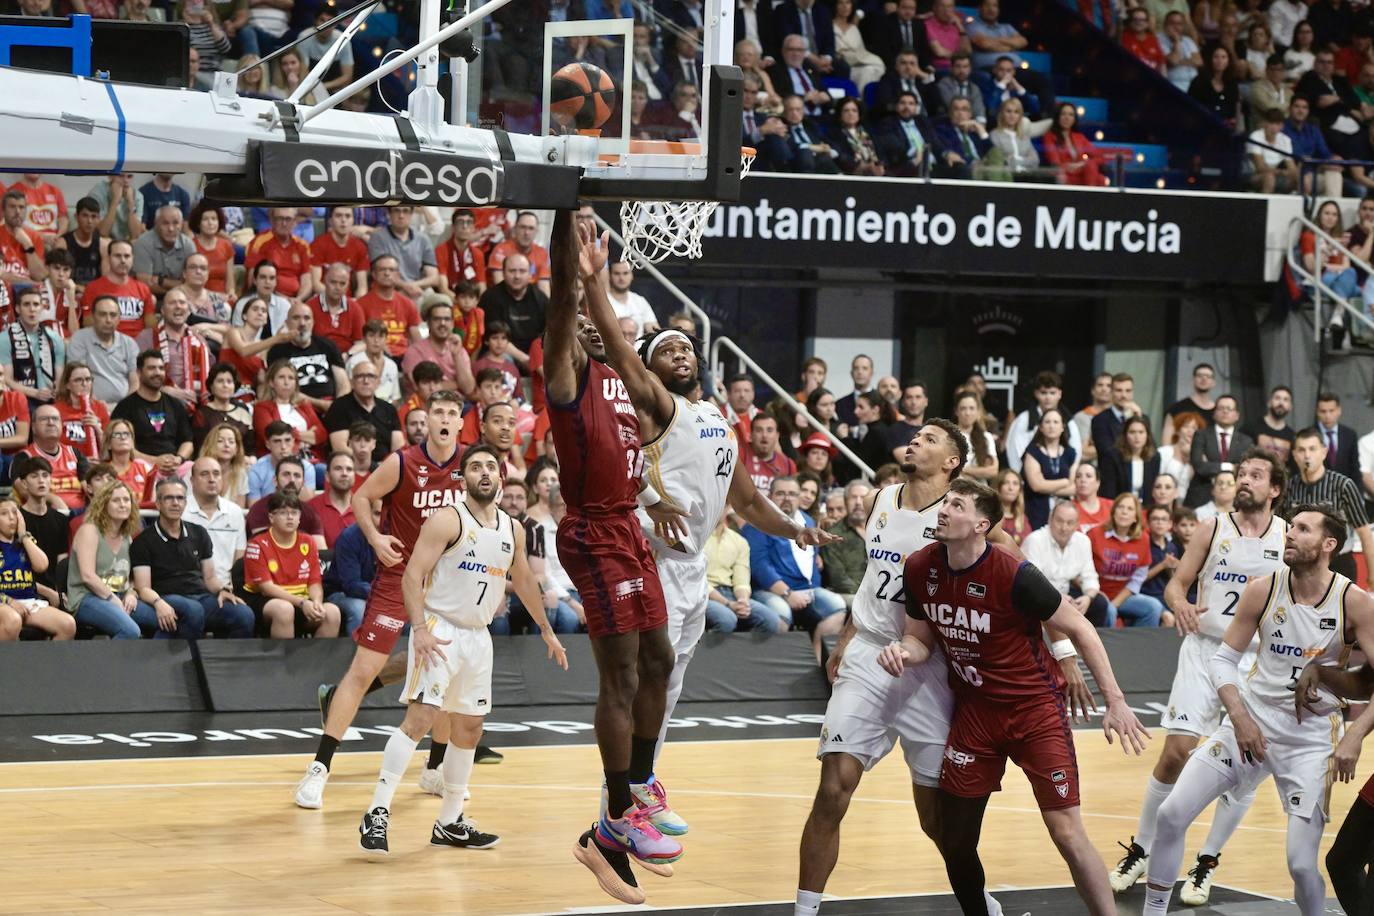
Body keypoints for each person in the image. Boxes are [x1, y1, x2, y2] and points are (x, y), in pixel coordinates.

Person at [796, 420, 1092, 916]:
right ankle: (804, 910)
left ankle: (981, 903)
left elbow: (1032, 588)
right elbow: (875, 577)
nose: (915, 441)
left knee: (937, 820)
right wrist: (848, 636)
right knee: (833, 787)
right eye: (915, 436)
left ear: (952, 462)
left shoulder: (966, 516)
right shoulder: (882, 498)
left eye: (930, 439)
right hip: (871, 654)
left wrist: (1065, 655)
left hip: (931, 664)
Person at [878, 477, 1148, 916]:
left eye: (957, 505)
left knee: (1066, 831)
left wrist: (1114, 699)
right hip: (975, 715)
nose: (943, 510)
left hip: (1034, 710)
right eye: (944, 503)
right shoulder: (919, 567)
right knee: (955, 839)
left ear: (982, 523)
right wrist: (902, 653)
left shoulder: (1013, 572)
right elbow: (919, 639)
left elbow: (1081, 628)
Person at [538, 213, 682, 903]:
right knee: (621, 673)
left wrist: (653, 499)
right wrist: (568, 220)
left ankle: (636, 793)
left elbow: (635, 452)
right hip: (592, 532)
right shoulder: (568, 375)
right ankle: (618, 817)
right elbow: (566, 293)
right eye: (588, 321)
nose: (601, 327)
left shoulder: (631, 380)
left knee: (661, 661)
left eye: (615, 321)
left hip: (628, 525)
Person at [1141, 505, 1374, 916]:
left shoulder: (1354, 602)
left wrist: (1354, 737)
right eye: (1291, 527)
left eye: (1302, 529)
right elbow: (1222, 660)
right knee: (1172, 813)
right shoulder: (1263, 588)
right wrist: (1240, 716)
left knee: (1302, 865)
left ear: (1328, 544)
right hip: (1254, 717)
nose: (1289, 534)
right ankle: (1153, 911)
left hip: (1312, 735)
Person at [358, 444, 568, 854]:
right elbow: (411, 576)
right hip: (440, 629)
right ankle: (377, 811)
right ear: (463, 477)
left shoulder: (513, 529)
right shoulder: (446, 520)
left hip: (478, 636)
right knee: (420, 719)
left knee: (470, 727)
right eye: (475, 467)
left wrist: (546, 628)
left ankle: (450, 821)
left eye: (491, 466)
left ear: (502, 477)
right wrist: (418, 627)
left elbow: (524, 580)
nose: (484, 472)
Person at [1109, 450, 1285, 903]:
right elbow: (1175, 583)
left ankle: (1206, 862)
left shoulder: (1287, 537)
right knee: (1176, 751)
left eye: (1255, 475)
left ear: (1275, 490)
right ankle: (1143, 849)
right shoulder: (1213, 527)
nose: (1244, 480)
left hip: (1254, 663)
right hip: (1205, 650)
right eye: (1241, 473)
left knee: (1244, 765)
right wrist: (1179, 603)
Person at [294, 390, 466, 809]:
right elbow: (361, 497)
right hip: (397, 576)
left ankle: (433, 770)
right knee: (362, 670)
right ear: (425, 420)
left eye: (452, 413)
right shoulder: (402, 462)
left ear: (461, 423)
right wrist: (374, 536)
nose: (444, 419)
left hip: (444, 583)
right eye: (437, 412)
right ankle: (318, 770)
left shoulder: (470, 465)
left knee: (447, 677)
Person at [130, 476, 252, 639]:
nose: (175, 503)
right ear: (158, 504)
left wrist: (222, 590)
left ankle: (226, 663)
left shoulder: (199, 533)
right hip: (167, 597)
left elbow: (209, 577)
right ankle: (191, 662)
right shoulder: (143, 541)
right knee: (192, 610)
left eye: (180, 498)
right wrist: (158, 603)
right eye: (169, 498)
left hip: (201, 597)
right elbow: (143, 588)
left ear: (185, 503)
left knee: (243, 614)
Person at [66, 480, 159, 639]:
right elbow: (87, 576)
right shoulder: (90, 531)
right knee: (130, 631)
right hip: (86, 598)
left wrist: (131, 593)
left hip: (120, 595)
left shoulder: (126, 537)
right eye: (116, 500)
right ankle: (103, 664)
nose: (123, 504)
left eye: (126, 500)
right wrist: (113, 599)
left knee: (162, 621)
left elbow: (128, 578)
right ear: (103, 505)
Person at [241, 491, 340, 638]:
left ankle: (318, 661)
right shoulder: (257, 544)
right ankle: (283, 661)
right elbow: (266, 588)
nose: (289, 517)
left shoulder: (308, 541)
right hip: (267, 600)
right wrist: (302, 603)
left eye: (294, 512)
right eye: (282, 512)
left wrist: (316, 602)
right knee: (284, 609)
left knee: (331, 613)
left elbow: (314, 581)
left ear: (300, 517)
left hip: (302, 599)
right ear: (271, 517)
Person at [1289, 429, 1374, 585]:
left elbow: (1364, 531)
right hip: (1300, 564)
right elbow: (1281, 530)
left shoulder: (1343, 485)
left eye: (1312, 449)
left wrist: (1372, 574)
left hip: (1339, 563)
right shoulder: (1289, 487)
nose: (1307, 455)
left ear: (1324, 452)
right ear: (1294, 455)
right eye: (1301, 450)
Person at [1022, 501, 1112, 626]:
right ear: (1050, 519)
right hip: (1039, 597)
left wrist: (1088, 598)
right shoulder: (1035, 540)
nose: (1064, 528)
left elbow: (1089, 576)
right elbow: (1034, 584)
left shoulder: (1083, 541)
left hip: (1066, 595)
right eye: (1059, 521)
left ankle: (1088, 643)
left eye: (1070, 523)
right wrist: (1058, 597)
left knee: (1100, 603)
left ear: (1077, 525)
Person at [1088, 492, 1166, 628]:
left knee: (1154, 607)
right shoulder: (1094, 534)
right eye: (1120, 507)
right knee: (1108, 610)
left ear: (1136, 517)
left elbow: (1137, 579)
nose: (1124, 512)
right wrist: (1096, 594)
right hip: (1095, 593)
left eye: (1130, 509)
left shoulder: (1143, 539)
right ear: (1113, 512)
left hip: (1122, 595)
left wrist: (1116, 602)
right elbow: (1082, 570)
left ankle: (1140, 648)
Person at [111, 351, 194, 478]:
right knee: (139, 465)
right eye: (151, 368)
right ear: (139, 373)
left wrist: (178, 459)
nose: (157, 372)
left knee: (196, 468)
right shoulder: (125, 407)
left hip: (174, 466)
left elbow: (187, 441)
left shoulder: (175, 404)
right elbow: (121, 446)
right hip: (142, 466)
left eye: (161, 368)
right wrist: (154, 461)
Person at [0, 496, 72, 640]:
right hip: (3, 601)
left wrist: (23, 536)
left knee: (67, 625)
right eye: (4, 513)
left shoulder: (26, 542)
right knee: (13, 620)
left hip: (28, 600)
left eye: (15, 512)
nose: (11, 518)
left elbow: (42, 566)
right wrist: (10, 602)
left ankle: (44, 663)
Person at [265, 302, 349, 412]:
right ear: (287, 323)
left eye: (307, 318)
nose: (302, 323)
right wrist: (321, 404)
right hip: (297, 407)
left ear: (313, 322)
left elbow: (343, 382)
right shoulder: (278, 351)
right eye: (296, 318)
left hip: (332, 406)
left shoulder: (328, 346)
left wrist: (338, 406)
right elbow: (282, 388)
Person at [184, 455, 247, 591]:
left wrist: (232, 587)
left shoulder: (235, 512)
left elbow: (239, 556)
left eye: (216, 474)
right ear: (192, 480)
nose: (212, 479)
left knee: (244, 613)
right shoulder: (181, 510)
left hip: (227, 587)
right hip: (190, 588)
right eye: (204, 474)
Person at [1, 288, 64, 410]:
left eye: (36, 304)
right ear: (17, 309)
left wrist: (56, 390)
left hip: (52, 398)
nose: (32, 309)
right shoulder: (4, 339)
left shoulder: (55, 338)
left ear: (42, 308)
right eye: (26, 304)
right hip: (21, 399)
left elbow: (59, 377)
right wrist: (35, 393)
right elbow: (6, 380)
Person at [1185, 394, 1251, 507]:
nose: (1225, 411)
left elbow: (1244, 470)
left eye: (1229, 409)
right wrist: (1230, 467)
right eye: (1221, 408)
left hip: (1235, 499)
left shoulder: (1246, 441)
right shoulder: (1201, 435)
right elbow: (1199, 466)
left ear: (1237, 415)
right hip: (1201, 495)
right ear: (1214, 413)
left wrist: (1210, 465)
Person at [1021, 407, 1079, 530]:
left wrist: (1046, 487)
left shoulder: (1070, 453)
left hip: (1064, 513)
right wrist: (1064, 482)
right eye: (1047, 422)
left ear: (1062, 427)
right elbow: (1036, 485)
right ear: (1040, 427)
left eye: (1055, 422)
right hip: (1036, 510)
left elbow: (1074, 487)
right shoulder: (1032, 452)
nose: (1051, 426)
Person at [23, 403, 87, 510]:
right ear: (33, 427)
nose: (51, 423)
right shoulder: (24, 456)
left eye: (55, 419)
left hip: (80, 513)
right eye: (44, 419)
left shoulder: (74, 452)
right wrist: (53, 499)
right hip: (46, 514)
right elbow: (23, 490)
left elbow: (88, 484)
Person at [246, 208, 314, 305]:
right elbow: (253, 280)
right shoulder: (260, 242)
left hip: (296, 301)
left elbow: (307, 280)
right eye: (280, 219)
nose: (284, 223)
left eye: (288, 219)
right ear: (272, 221)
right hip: (267, 300)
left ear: (295, 222)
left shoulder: (302, 246)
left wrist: (299, 298)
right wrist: (284, 300)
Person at [1100, 416, 1161, 501]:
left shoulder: (1154, 457)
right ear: (1125, 435)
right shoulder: (1113, 457)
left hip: (1146, 508)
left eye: (1141, 432)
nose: (1137, 437)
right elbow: (1109, 491)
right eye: (1132, 432)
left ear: (1147, 435)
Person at [309, 451, 355, 547]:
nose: (344, 473)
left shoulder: (365, 507)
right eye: (338, 468)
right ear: (327, 476)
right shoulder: (311, 508)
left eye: (349, 469)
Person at [1162, 363, 1217, 442]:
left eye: (1208, 376)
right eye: (1200, 376)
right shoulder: (1177, 408)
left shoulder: (1218, 412)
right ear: (1193, 380)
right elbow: (1166, 441)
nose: (1204, 379)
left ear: (1213, 382)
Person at [1243, 384, 1295, 465]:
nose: (1281, 403)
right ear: (1269, 403)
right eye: (1277, 398)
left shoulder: (1292, 436)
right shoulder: (1250, 428)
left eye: (1286, 400)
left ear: (1290, 407)